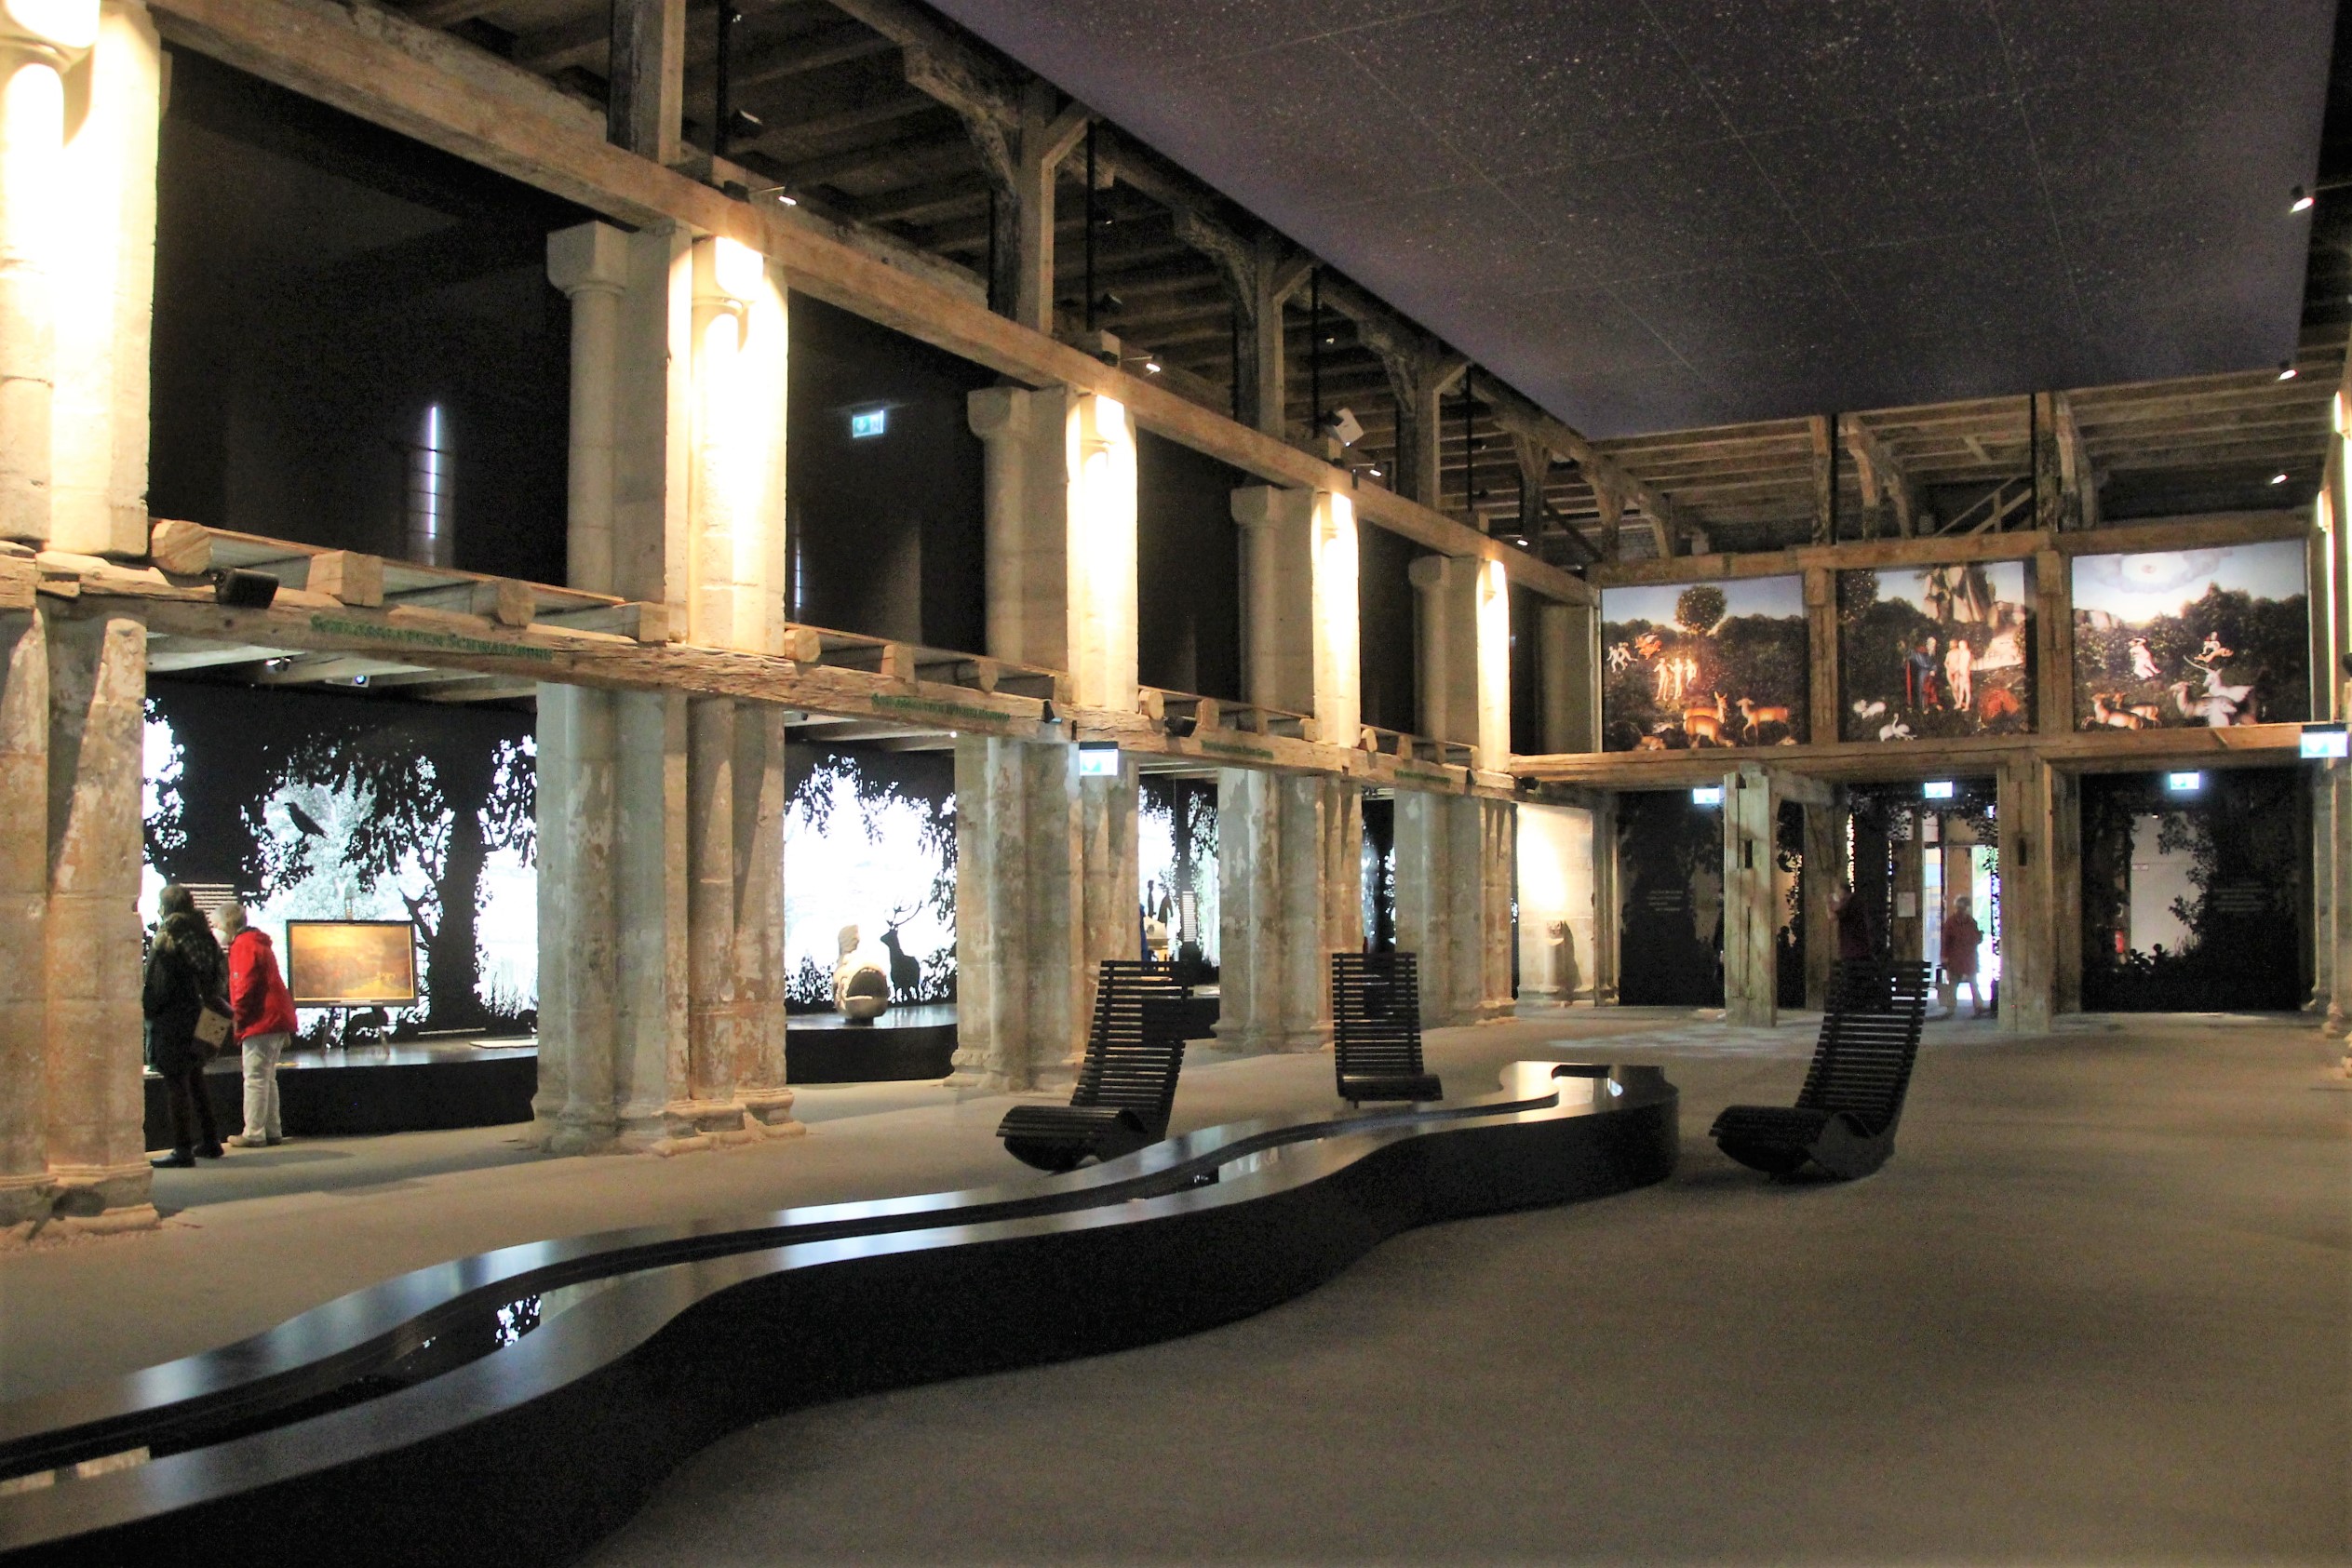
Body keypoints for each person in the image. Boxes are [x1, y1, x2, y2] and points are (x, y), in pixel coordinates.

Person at [143, 884, 228, 1168]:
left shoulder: (170, 936)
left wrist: (149, 1010)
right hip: (204, 1014)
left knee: (176, 1083)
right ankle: (211, 1140)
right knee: (195, 1077)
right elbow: (215, 978)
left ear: (166, 907)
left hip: (174, 1019)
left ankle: (182, 1149)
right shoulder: (205, 935)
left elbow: (160, 984)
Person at [219, 903, 297, 1147]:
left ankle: (253, 1133)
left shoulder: (243, 946)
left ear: (227, 923)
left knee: (254, 1077)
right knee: (267, 1077)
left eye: (217, 924)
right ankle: (272, 1130)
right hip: (275, 1018)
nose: (216, 929)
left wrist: (237, 1019)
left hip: (261, 1020)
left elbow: (243, 987)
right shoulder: (258, 942)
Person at [1940, 893, 1984, 1017]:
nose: (1962, 911)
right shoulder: (1956, 922)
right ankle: (1953, 1008)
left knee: (1965, 984)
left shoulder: (1968, 922)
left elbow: (1975, 939)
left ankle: (1976, 1006)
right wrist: (1944, 957)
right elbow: (1946, 941)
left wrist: (1979, 937)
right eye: (1960, 908)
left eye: (1963, 908)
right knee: (1955, 984)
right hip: (1959, 958)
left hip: (1966, 958)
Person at [1833, 880, 1875, 961]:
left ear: (1843, 891)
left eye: (1837, 891)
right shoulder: (1855, 901)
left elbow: (1833, 916)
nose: (1837, 895)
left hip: (1854, 950)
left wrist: (1828, 903)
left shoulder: (1850, 904)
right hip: (1858, 949)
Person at [1944, 636, 1975, 713]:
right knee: (1959, 689)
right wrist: (1951, 669)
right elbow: (1949, 663)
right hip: (1959, 672)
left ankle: (1965, 705)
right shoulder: (1955, 653)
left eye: (1961, 645)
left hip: (1963, 673)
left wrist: (1958, 670)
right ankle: (1960, 703)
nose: (1960, 647)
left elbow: (1964, 664)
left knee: (1964, 690)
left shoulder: (1965, 653)